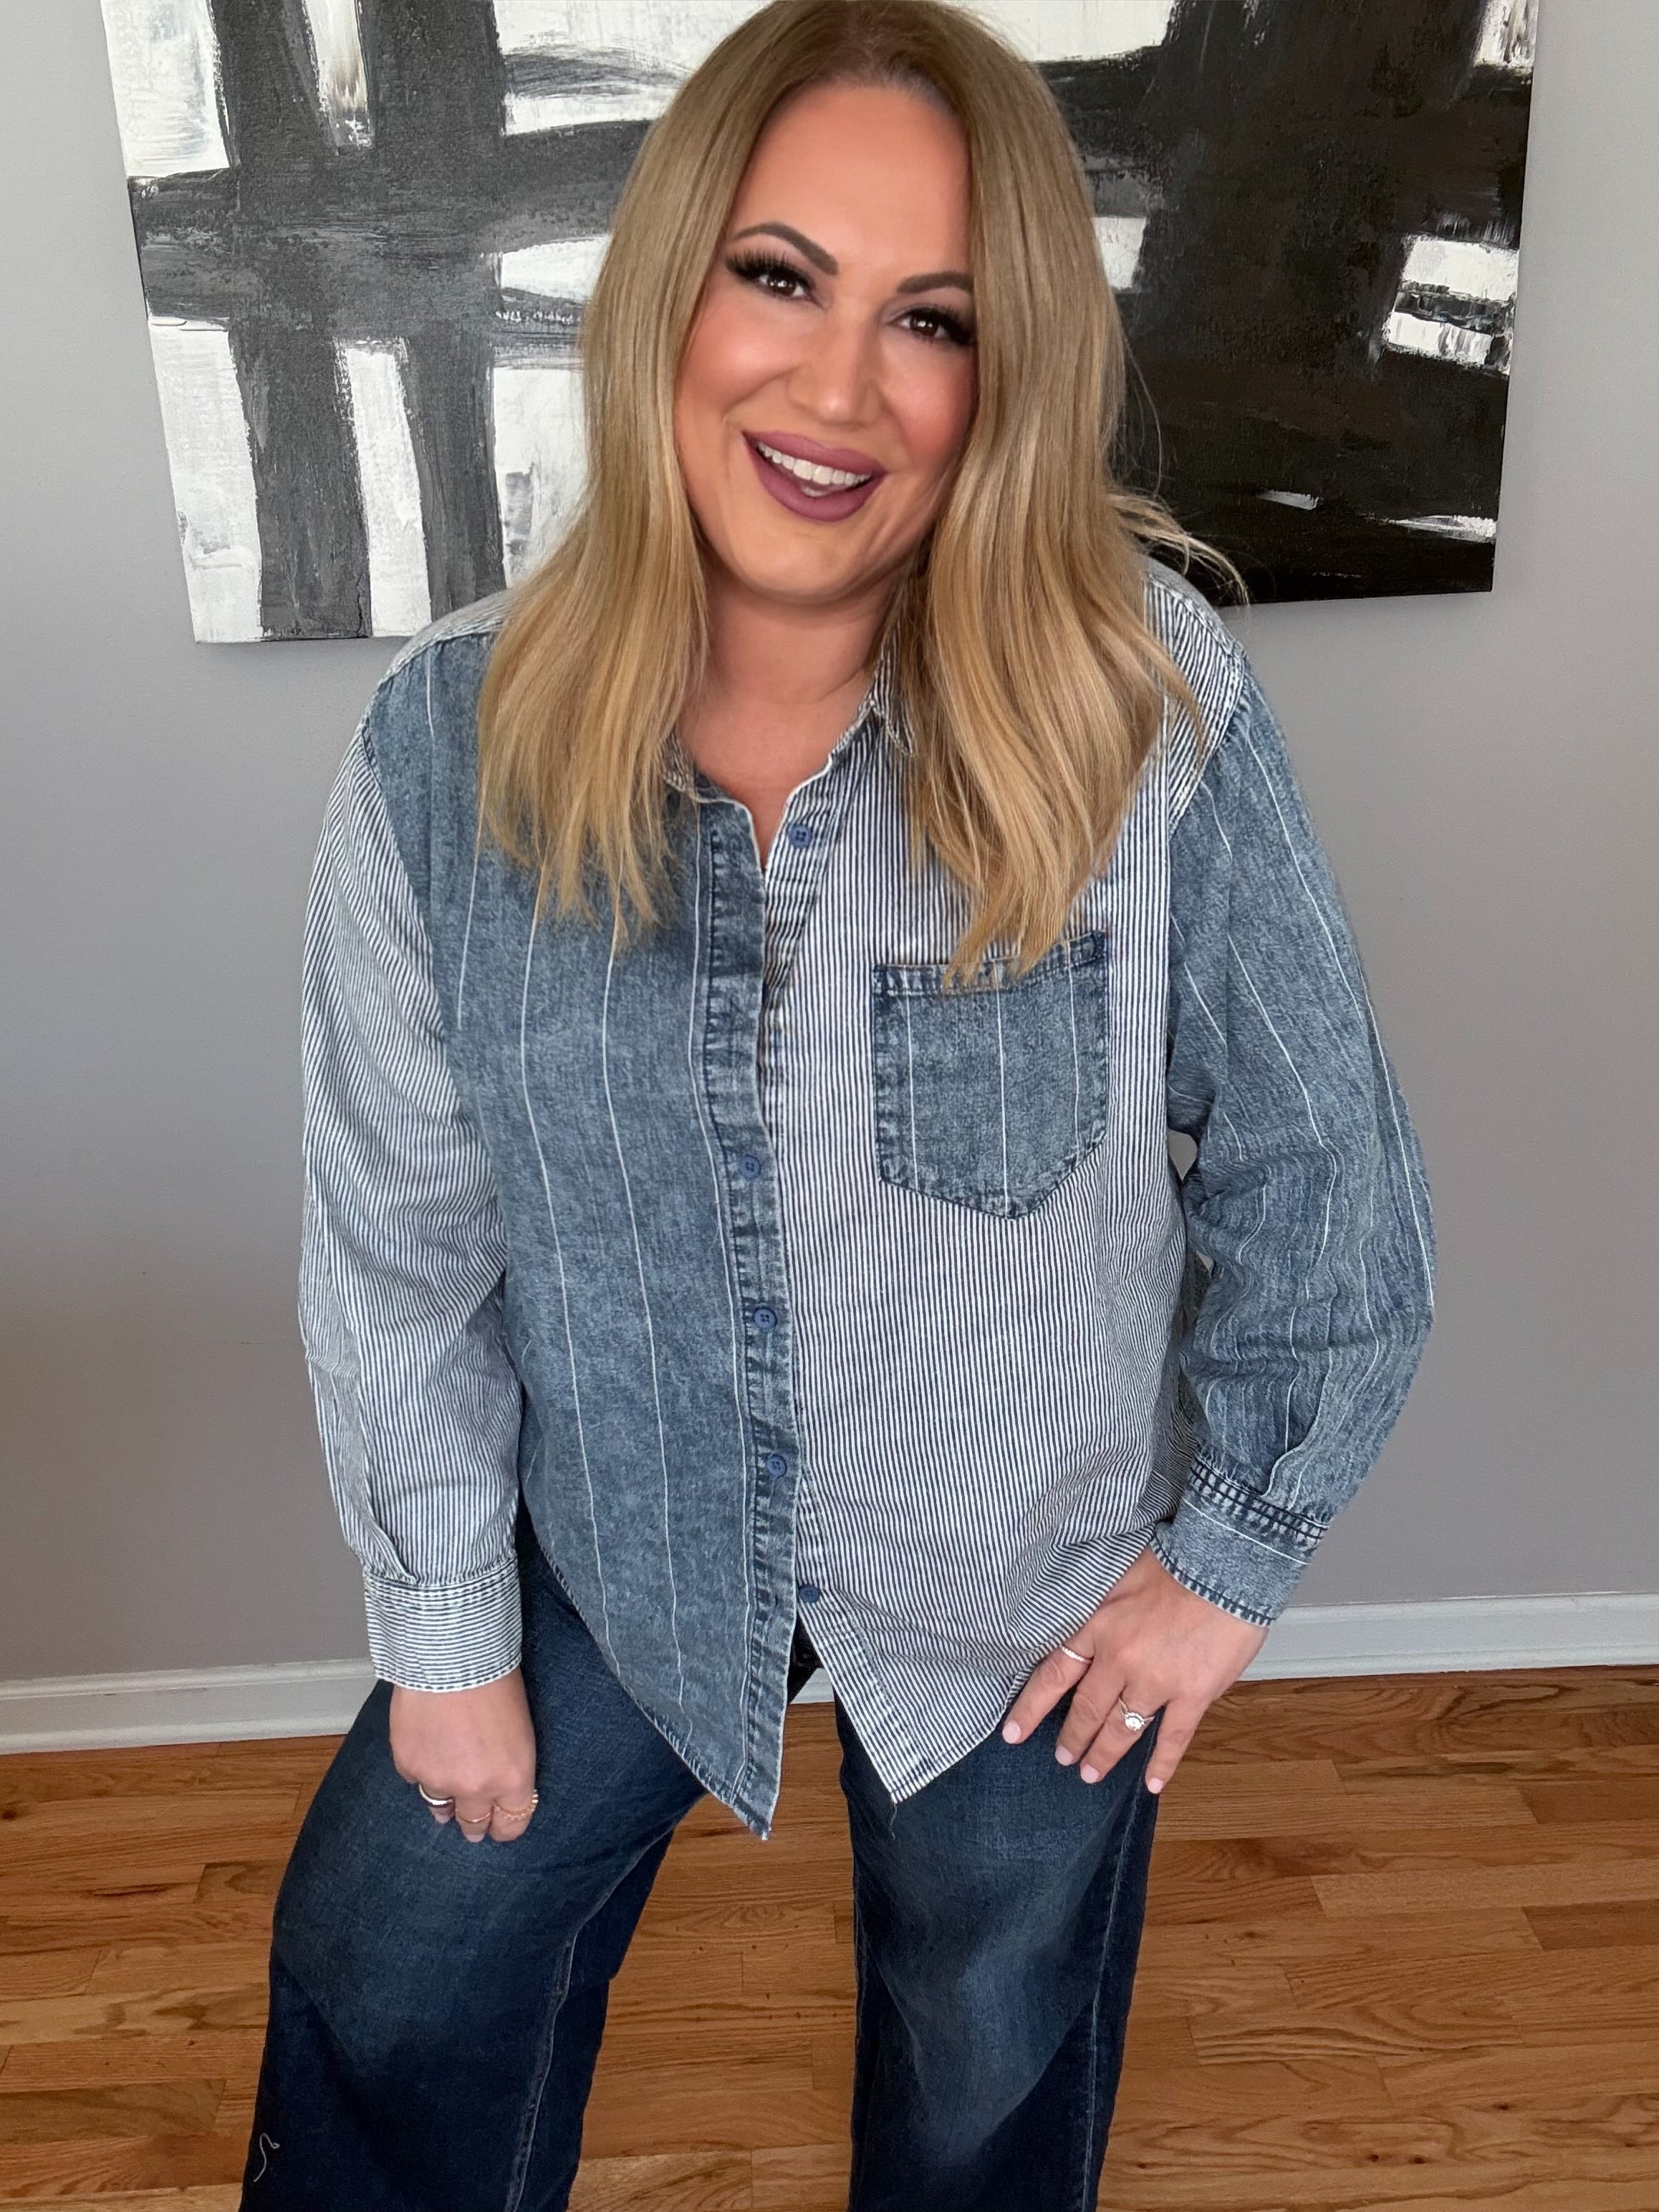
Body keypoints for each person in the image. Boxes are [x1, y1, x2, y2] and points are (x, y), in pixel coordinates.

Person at [241, 1, 1435, 2205]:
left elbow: (1325, 1182)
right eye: (778, 276)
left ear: (1008, 373)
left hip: (1016, 1566)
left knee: (986, 2049)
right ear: (669, 289)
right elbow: (401, 1245)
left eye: (933, 320)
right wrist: (444, 1637)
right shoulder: (442, 747)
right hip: (615, 1528)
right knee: (388, 1968)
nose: (835, 388)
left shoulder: (1143, 700)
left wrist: (1224, 1562)